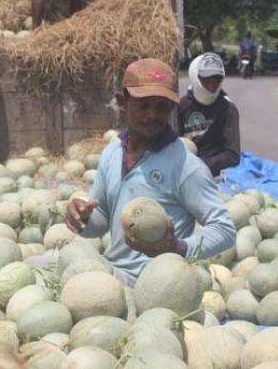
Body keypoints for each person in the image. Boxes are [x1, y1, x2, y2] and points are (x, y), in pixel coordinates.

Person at [64, 58, 236, 285]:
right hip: (113, 275)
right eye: (143, 105)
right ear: (122, 102)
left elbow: (224, 230)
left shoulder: (185, 166)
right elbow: (103, 217)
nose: (152, 115)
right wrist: (83, 220)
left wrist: (179, 248)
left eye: (161, 107)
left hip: (154, 286)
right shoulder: (112, 153)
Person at [179, 53, 241, 176]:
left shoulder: (228, 110)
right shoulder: (182, 105)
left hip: (213, 173)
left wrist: (201, 165)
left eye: (217, 79)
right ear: (195, 77)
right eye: (206, 79)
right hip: (181, 168)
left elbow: (232, 155)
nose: (212, 85)